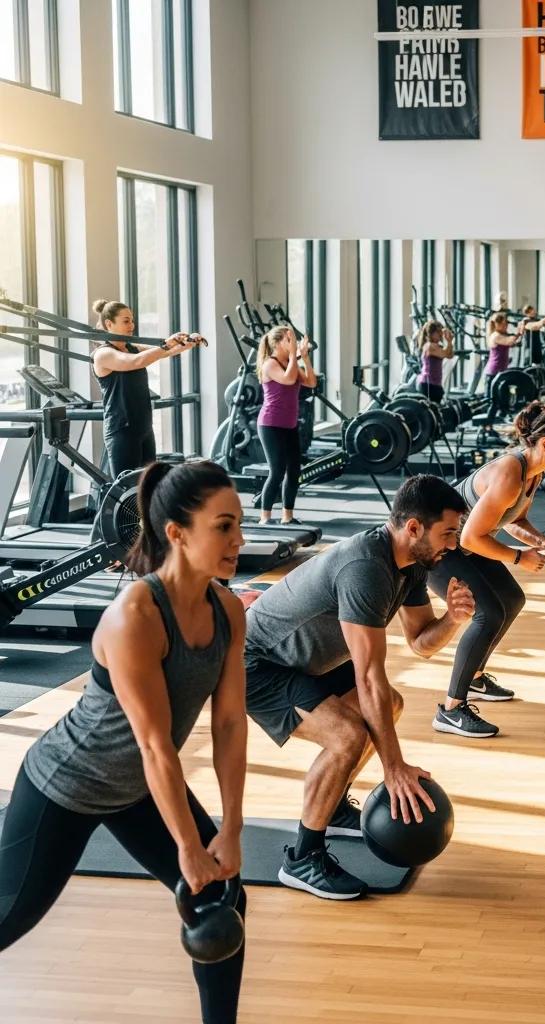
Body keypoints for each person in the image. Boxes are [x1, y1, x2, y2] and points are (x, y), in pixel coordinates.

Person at [0, 460, 249, 1024]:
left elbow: (230, 723)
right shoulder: (135, 616)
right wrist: (188, 846)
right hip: (68, 783)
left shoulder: (228, 610)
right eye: (225, 526)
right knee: (9, 918)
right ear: (177, 533)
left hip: (140, 789)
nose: (239, 539)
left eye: (239, 525)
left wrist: (231, 827)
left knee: (223, 899)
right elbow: (155, 746)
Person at [243, 475, 475, 900]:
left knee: (394, 704)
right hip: (256, 664)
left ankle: (330, 806)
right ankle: (301, 859)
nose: (454, 545)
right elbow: (369, 676)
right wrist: (394, 769)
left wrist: (452, 621)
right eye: (447, 533)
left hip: (305, 662)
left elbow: (421, 641)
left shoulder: (409, 565)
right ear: (413, 529)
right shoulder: (367, 568)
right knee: (347, 735)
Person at [428, 402, 545, 738]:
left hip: (467, 544)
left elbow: (512, 519)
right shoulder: (510, 473)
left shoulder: (533, 473)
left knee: (511, 599)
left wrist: (540, 541)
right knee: (488, 614)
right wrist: (518, 558)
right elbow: (470, 536)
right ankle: (451, 710)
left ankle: (477, 677)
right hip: (436, 549)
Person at [91, 299, 201, 477]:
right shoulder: (104, 354)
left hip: (143, 426)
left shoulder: (131, 347)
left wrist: (188, 343)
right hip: (122, 431)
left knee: (148, 486)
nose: (132, 325)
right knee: (127, 491)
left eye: (132, 320)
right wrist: (166, 344)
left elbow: (164, 352)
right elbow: (137, 361)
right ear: (109, 324)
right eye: (126, 321)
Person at [255, 325, 317, 527]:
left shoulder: (289, 363)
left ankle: (287, 517)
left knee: (294, 471)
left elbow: (311, 382)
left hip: (289, 425)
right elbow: (289, 379)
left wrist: (304, 357)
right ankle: (265, 517)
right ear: (278, 343)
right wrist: (293, 355)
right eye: (289, 340)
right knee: (277, 471)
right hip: (271, 424)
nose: (294, 343)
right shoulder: (270, 365)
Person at [481, 312, 524, 440]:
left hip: (500, 373)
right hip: (493, 373)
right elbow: (510, 341)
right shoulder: (495, 336)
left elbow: (515, 341)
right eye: (504, 323)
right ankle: (486, 428)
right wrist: (519, 331)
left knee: (500, 401)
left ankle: (490, 427)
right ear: (498, 324)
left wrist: (520, 332)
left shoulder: (500, 335)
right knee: (492, 403)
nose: (506, 325)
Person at [415, 319, 454, 405]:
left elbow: (450, 355)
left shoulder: (436, 346)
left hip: (435, 383)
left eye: (441, 331)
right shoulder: (429, 346)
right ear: (431, 333)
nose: (440, 334)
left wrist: (450, 342)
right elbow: (445, 354)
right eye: (438, 332)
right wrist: (449, 341)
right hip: (428, 384)